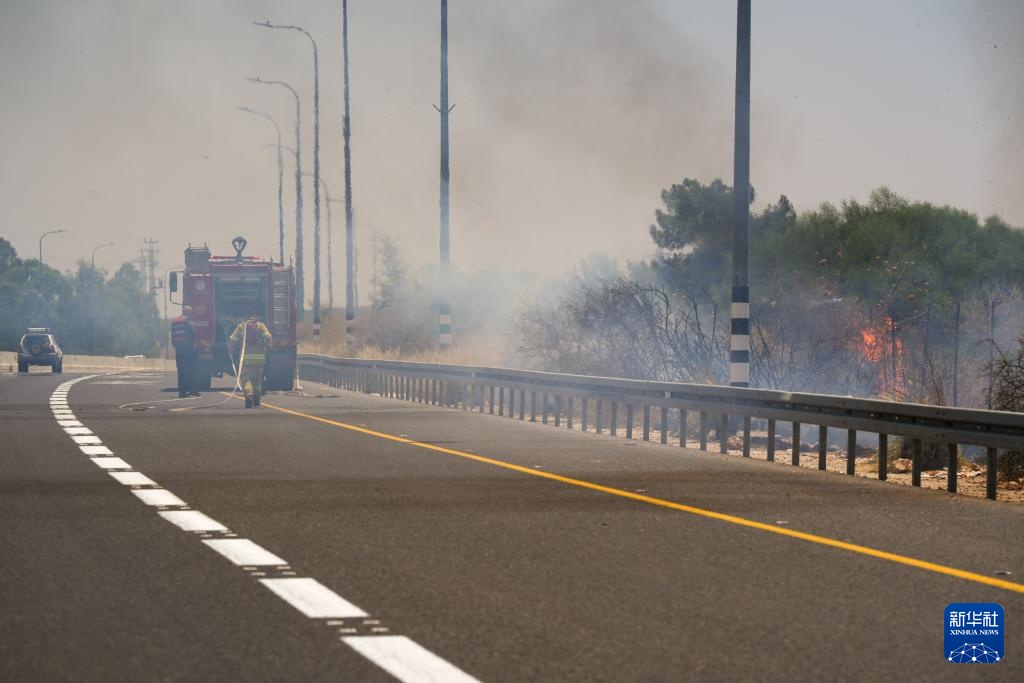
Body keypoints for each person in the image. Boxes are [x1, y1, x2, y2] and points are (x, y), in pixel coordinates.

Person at [229, 312, 273, 408]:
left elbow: (232, 339)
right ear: (255, 316)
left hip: (246, 359)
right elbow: (268, 337)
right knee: (257, 379)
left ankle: (249, 397)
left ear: (245, 317)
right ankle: (257, 400)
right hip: (259, 359)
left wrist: (231, 351)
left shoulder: (241, 327)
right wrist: (267, 345)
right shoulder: (260, 326)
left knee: (246, 379)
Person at [170, 305, 200, 398]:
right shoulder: (186, 321)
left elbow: (172, 337)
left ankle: (182, 392)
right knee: (192, 369)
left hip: (178, 349)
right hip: (187, 349)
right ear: (188, 313)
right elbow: (193, 333)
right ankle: (193, 390)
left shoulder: (174, 322)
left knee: (181, 371)